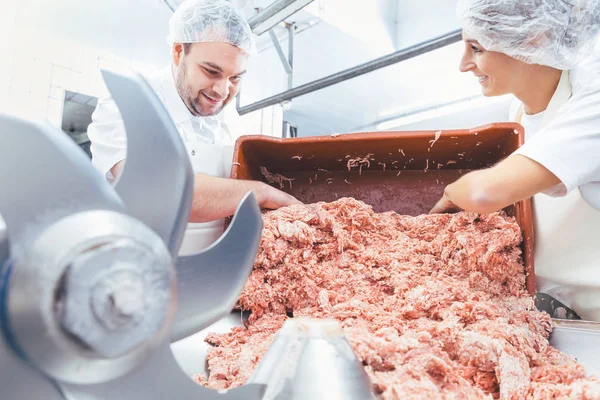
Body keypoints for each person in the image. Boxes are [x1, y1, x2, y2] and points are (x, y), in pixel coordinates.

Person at [430, 0, 600, 320]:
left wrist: (449, 198)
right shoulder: (518, 114)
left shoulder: (593, 96)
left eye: (476, 48)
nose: (464, 64)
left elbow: (485, 192)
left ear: (532, 38)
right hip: (556, 314)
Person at [87, 0, 299, 254]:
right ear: (178, 52)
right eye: (211, 71)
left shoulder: (229, 120)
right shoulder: (130, 102)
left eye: (235, 78)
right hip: (131, 269)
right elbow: (161, 191)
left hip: (207, 277)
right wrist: (261, 193)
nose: (222, 91)